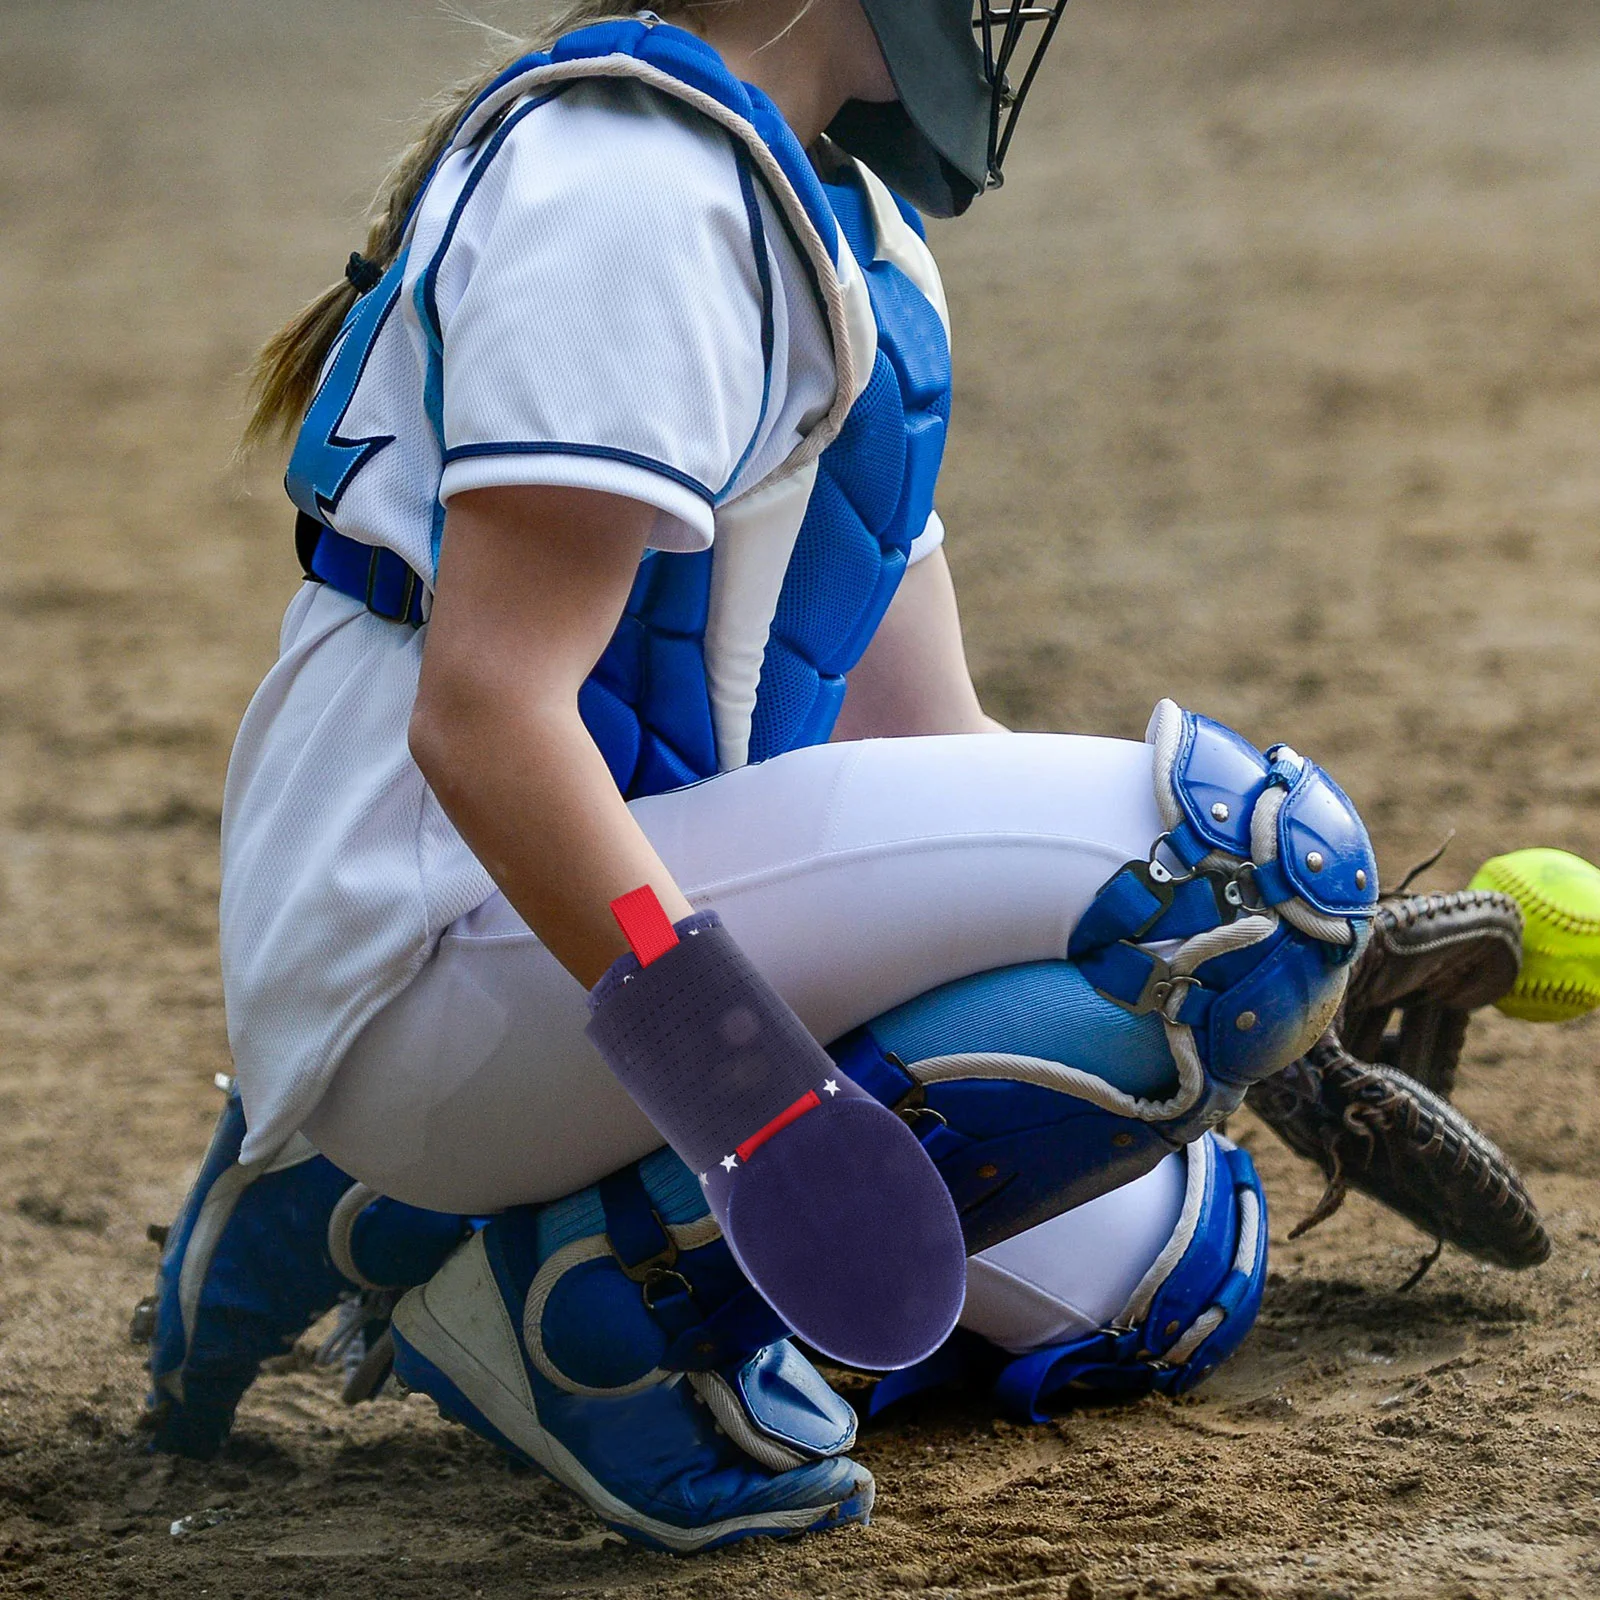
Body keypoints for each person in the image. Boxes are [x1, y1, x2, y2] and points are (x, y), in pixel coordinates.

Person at [139, 0, 1379, 1552]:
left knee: (1182, 1278)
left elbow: (919, 748)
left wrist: (1289, 1007)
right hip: (430, 943)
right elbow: (485, 714)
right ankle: (567, 1309)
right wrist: (756, 1111)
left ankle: (356, 1202)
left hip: (564, 960)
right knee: (1245, 866)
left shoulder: (844, 231)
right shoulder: (629, 189)